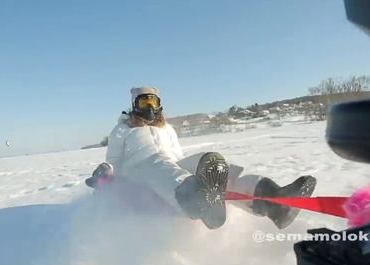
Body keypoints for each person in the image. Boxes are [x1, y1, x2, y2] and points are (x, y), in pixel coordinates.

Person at [86, 86, 316, 229]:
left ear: (159, 105)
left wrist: (198, 169)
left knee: (214, 162)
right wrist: (104, 172)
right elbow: (113, 161)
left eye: (152, 102)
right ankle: (194, 202)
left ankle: (274, 200)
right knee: (159, 166)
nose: (148, 106)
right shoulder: (123, 130)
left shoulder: (167, 129)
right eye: (143, 102)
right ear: (134, 105)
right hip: (139, 172)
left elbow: (177, 156)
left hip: (171, 167)